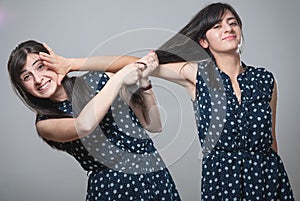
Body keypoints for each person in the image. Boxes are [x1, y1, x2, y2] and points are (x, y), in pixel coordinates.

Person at [51, 2, 295, 200]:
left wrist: (273, 179)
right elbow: (130, 63)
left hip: (267, 175)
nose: (228, 29)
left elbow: (271, 139)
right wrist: (72, 64)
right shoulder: (197, 74)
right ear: (203, 42)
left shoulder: (265, 79)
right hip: (223, 179)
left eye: (233, 23)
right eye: (218, 26)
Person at [7, 40, 181, 201]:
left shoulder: (97, 80)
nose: (38, 79)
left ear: (54, 62)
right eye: (27, 77)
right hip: (114, 189)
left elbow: (154, 125)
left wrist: (71, 64)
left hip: (156, 175)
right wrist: (119, 77)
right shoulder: (45, 123)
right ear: (23, 87)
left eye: (41, 67)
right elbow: (84, 125)